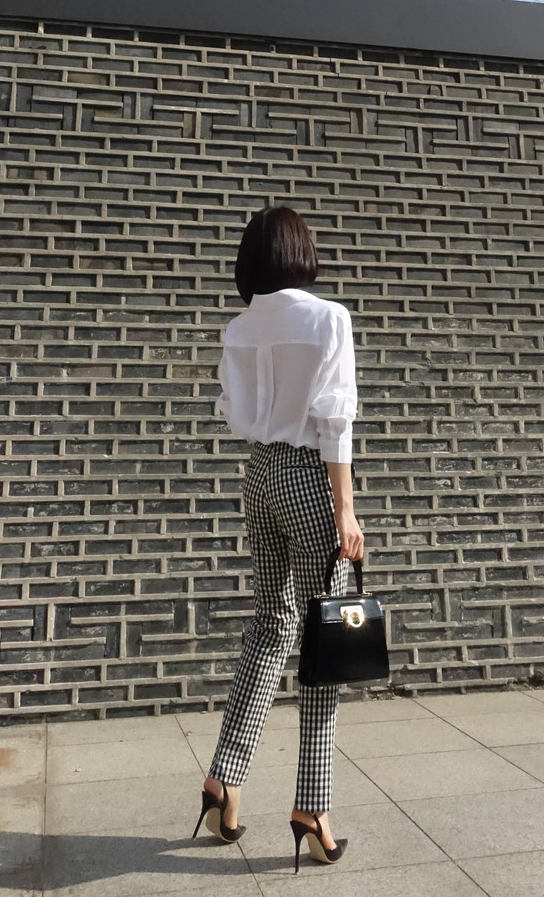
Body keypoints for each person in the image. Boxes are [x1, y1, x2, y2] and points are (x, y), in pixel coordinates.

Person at [191, 205, 364, 871]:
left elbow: (231, 411)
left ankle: (224, 778)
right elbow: (335, 420)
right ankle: (312, 806)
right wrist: (345, 509)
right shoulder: (328, 318)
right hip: (308, 477)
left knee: (270, 626)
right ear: (301, 251)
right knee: (326, 640)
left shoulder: (240, 328)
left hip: (258, 473)